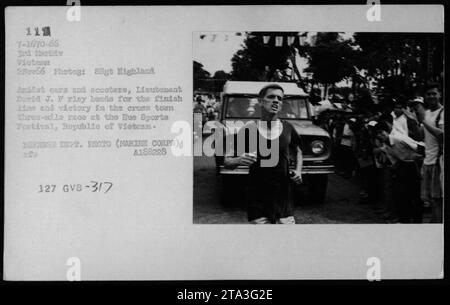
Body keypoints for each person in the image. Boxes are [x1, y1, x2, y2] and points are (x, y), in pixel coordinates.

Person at [223, 84, 303, 224]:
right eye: (271, 97)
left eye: (280, 98)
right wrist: (239, 160)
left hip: (283, 200)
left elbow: (298, 150)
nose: (276, 100)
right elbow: (227, 162)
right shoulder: (249, 130)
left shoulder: (288, 128)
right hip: (257, 200)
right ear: (260, 101)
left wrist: (298, 170)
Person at [374, 120, 424, 223]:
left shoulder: (399, 138)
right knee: (401, 194)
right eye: (377, 134)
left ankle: (417, 221)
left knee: (415, 195)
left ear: (387, 131)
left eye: (381, 132)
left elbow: (419, 147)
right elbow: (394, 162)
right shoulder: (386, 147)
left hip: (414, 164)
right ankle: (404, 220)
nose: (380, 135)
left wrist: (419, 160)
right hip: (402, 166)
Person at [415, 83, 444, 223]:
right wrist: (415, 123)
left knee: (437, 199)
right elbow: (421, 136)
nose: (431, 96)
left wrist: (424, 122)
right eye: (428, 94)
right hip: (428, 160)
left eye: (434, 93)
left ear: (440, 95)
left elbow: (442, 136)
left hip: (439, 162)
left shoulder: (442, 113)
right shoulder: (426, 113)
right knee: (430, 199)